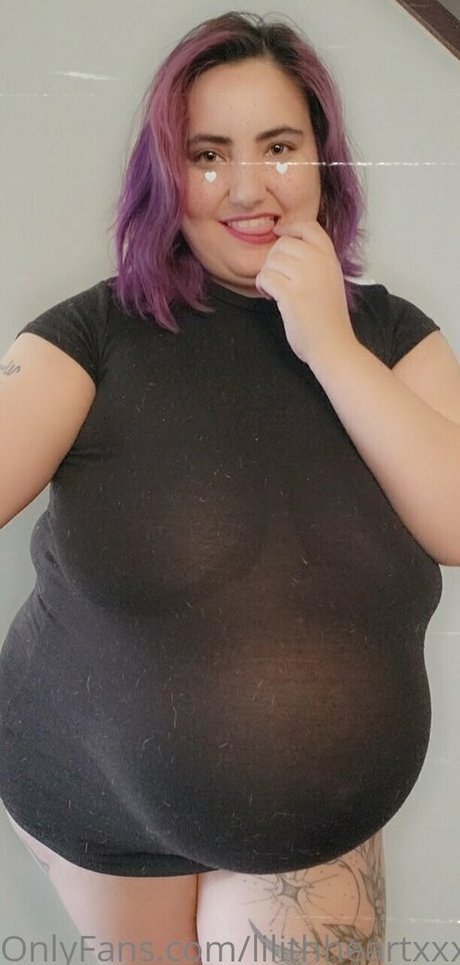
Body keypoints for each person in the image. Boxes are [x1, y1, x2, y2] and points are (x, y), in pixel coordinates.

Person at [1, 9, 459, 965]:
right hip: (88, 802)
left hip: (309, 833)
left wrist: (330, 344)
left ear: (322, 161)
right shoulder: (88, 338)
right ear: (166, 176)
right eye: (207, 155)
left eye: (279, 147)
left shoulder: (393, 338)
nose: (248, 187)